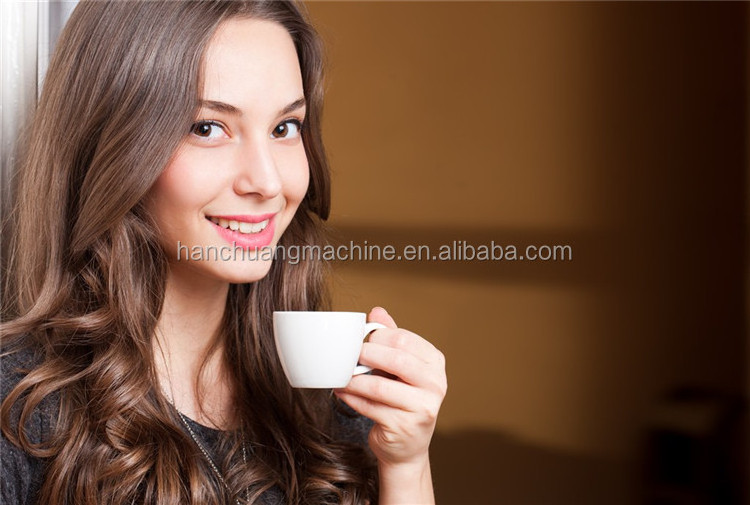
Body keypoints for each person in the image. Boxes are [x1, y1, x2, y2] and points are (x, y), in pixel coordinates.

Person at [0, 1, 447, 504]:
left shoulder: (330, 404)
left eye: (285, 128)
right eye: (208, 127)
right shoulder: (19, 409)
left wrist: (406, 467)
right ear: (113, 145)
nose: (267, 181)